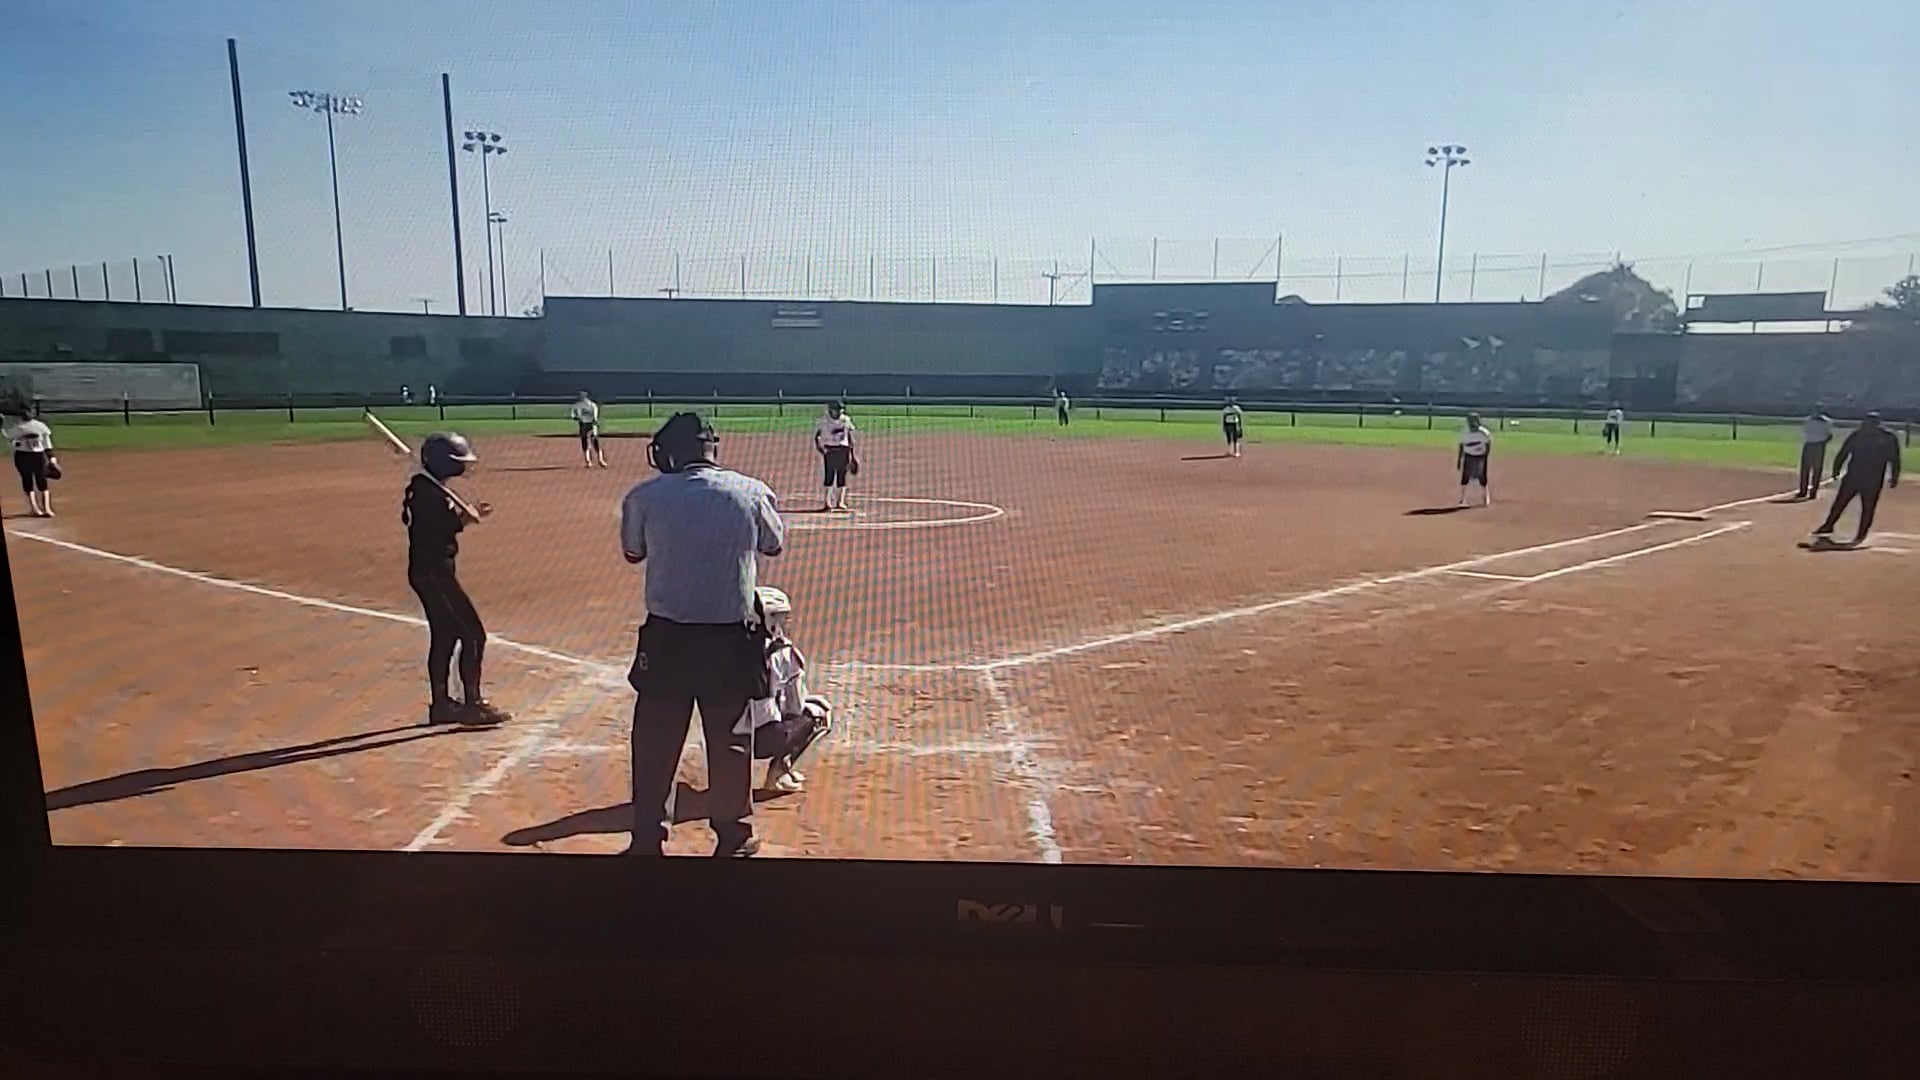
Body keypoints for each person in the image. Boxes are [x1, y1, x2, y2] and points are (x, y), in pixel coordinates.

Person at [621, 411, 786, 857]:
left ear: (672, 453)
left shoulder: (645, 495)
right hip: (730, 638)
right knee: (731, 738)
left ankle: (647, 837)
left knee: (655, 738)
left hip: (668, 639)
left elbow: (633, 551)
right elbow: (773, 544)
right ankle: (734, 835)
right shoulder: (751, 491)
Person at [402, 432, 509, 726]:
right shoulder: (429, 494)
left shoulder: (426, 488)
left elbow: (440, 525)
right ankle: (473, 705)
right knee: (473, 634)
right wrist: (464, 519)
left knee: (446, 634)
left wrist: (463, 517)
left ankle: (442, 706)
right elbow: (438, 529)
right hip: (434, 571)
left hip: (431, 569)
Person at [744, 587, 833, 795]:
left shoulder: (726, 647)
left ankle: (726, 778)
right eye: (779, 617)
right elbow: (795, 706)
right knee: (819, 712)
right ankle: (779, 773)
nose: (784, 623)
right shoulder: (782, 653)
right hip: (762, 740)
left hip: (722, 736)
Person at [1812, 412, 1901, 546]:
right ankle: (1828, 525)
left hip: (1873, 478)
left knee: (1868, 507)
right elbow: (1844, 452)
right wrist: (1836, 468)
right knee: (1840, 502)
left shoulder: (1887, 438)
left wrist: (1894, 476)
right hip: (1854, 475)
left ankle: (1861, 533)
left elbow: (1894, 459)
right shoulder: (1857, 435)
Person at [5, 409, 57, 518]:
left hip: (30, 456)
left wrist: (51, 456)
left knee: (36, 480)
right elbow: (47, 442)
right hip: (27, 456)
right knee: (33, 480)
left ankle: (44, 508)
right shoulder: (24, 427)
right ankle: (37, 509)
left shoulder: (23, 427)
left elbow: (10, 439)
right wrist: (51, 456)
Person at [813, 400, 857, 511]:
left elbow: (849, 435)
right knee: (829, 475)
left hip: (843, 449)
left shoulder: (845, 420)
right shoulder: (824, 421)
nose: (839, 412)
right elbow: (817, 435)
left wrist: (852, 454)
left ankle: (840, 502)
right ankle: (827, 503)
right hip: (830, 449)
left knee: (842, 476)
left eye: (840, 410)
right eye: (837, 410)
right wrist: (819, 447)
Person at [1797, 407, 1833, 500]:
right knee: (1807, 469)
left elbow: (1806, 431)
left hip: (1814, 444)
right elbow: (1829, 435)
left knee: (1813, 469)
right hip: (1814, 445)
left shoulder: (1811, 420)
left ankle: (1808, 491)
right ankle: (1806, 491)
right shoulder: (1824, 421)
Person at [1457, 412, 1493, 507]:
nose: (1472, 423)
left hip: (1480, 456)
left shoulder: (1483, 433)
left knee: (1482, 477)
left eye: (1474, 421)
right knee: (1465, 477)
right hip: (1469, 456)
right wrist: (1459, 459)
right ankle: (1463, 499)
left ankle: (1485, 497)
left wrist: (1485, 456)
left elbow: (1488, 444)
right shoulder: (1465, 432)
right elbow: (1461, 446)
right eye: (1470, 421)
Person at [570, 391, 607, 468]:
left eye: (582, 396)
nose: (581, 397)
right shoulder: (577, 405)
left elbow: (595, 416)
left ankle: (600, 459)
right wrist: (577, 418)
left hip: (591, 424)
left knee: (595, 442)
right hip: (583, 424)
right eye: (580, 396)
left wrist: (594, 422)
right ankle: (588, 461)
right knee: (584, 442)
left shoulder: (592, 405)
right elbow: (573, 415)